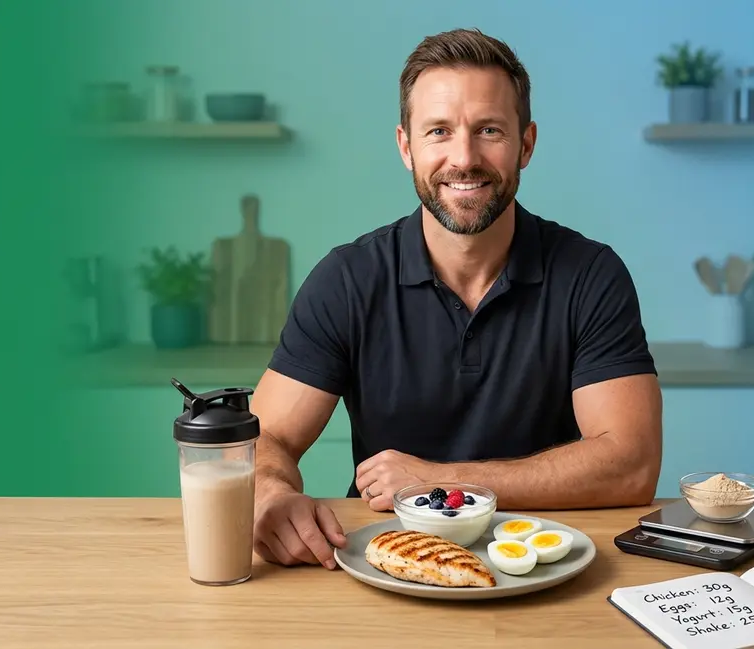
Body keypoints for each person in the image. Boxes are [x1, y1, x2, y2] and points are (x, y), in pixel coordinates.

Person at [251, 28, 663, 570]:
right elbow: (267, 436)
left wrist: (442, 480)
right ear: (407, 147)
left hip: (546, 566)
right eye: (438, 131)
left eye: (488, 129)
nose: (463, 158)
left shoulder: (590, 275)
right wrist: (270, 494)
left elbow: (631, 465)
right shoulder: (347, 279)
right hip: (382, 561)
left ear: (526, 144)